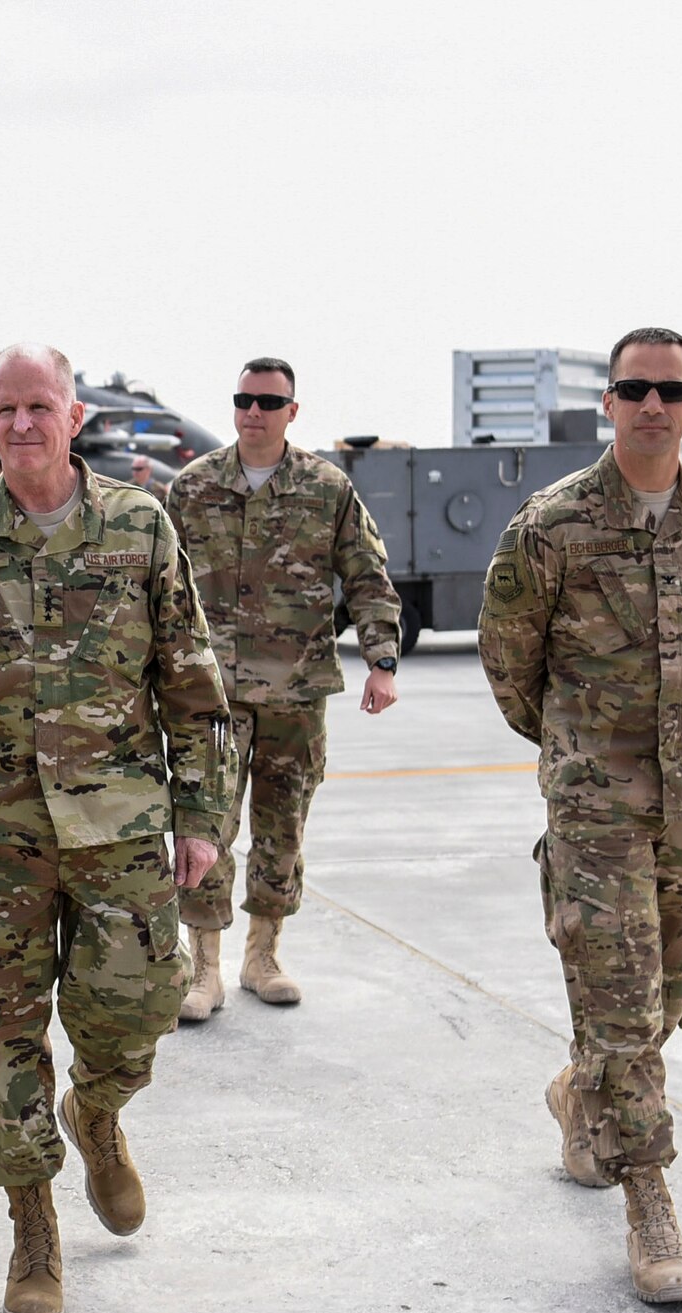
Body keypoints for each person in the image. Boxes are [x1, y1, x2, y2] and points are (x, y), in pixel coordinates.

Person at [0, 343, 234, 1313]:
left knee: (133, 1014)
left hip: (120, 827)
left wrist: (201, 820)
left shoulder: (139, 526)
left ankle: (100, 1113)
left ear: (73, 416)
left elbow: (197, 693)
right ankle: (31, 1230)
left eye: (39, 405)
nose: (23, 424)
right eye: (5, 409)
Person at [479, 326, 682, 1305]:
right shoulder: (547, 525)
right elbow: (510, 662)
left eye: (668, 391)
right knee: (620, 1000)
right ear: (607, 401)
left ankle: (580, 1089)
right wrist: (569, 748)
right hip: (594, 802)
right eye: (633, 388)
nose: (651, 406)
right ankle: (648, 1201)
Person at [166, 358, 402, 1020]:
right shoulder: (192, 488)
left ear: (292, 411)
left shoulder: (327, 489)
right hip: (210, 696)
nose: (253, 411)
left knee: (282, 830)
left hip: (296, 693)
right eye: (243, 398)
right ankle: (204, 968)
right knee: (205, 827)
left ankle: (262, 956)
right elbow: (158, 587)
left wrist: (382, 659)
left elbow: (366, 575)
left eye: (269, 401)